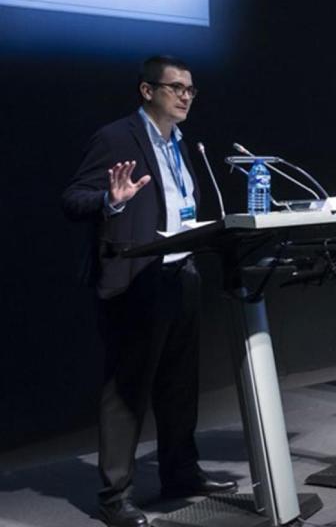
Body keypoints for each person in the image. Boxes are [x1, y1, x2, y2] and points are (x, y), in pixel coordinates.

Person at [62, 56, 235, 527]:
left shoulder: (182, 143)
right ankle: (115, 496)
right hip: (136, 279)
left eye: (190, 90)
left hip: (181, 274)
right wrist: (109, 200)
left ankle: (180, 474)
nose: (185, 97)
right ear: (147, 90)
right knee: (127, 391)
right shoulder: (116, 138)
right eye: (176, 87)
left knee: (180, 385)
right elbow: (72, 199)